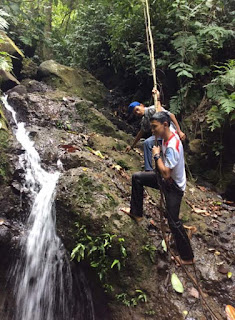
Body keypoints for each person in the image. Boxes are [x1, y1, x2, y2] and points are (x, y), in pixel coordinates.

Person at [122, 112, 194, 265]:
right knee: (137, 178)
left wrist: (156, 156)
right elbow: (165, 113)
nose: (152, 130)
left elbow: (167, 173)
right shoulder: (168, 132)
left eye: (155, 127)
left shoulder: (173, 146)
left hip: (173, 186)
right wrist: (156, 96)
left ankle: (188, 257)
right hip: (163, 179)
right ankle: (136, 213)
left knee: (173, 221)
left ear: (165, 125)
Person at [126, 89, 186, 171]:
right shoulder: (144, 119)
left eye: (137, 109)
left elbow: (171, 115)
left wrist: (179, 131)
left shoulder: (153, 108)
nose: (137, 112)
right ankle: (149, 169)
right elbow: (141, 132)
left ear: (142, 105)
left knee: (149, 143)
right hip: (160, 136)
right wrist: (132, 146)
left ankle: (154, 169)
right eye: (135, 113)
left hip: (169, 133)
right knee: (147, 143)